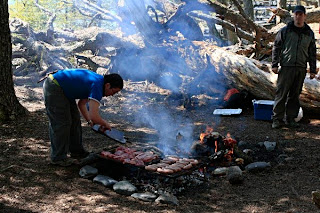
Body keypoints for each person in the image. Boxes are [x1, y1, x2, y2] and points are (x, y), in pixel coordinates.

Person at [43, 69, 123, 166]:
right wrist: (105, 124)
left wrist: (89, 121)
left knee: (75, 120)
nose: (112, 95)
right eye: (113, 91)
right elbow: (94, 115)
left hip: (65, 90)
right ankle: (58, 157)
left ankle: (77, 152)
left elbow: (81, 104)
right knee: (62, 123)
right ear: (108, 85)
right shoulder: (97, 85)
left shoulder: (98, 83)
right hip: (55, 86)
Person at [271, 5, 317, 129]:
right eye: (296, 14)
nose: (298, 16)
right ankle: (277, 119)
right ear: (293, 15)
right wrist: (274, 64)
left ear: (305, 16)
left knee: (295, 95)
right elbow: (277, 47)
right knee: (281, 93)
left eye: (300, 14)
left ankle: (291, 118)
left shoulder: (309, 33)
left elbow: (312, 52)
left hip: (301, 68)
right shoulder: (285, 30)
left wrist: (313, 69)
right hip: (286, 66)